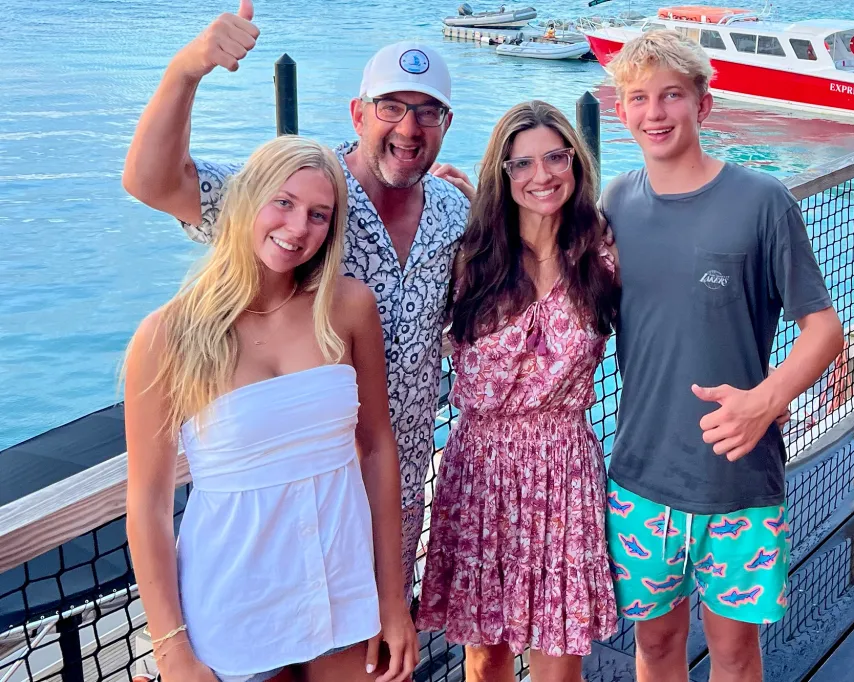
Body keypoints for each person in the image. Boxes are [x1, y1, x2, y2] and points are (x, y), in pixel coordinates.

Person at [121, 0, 472, 603]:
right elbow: (153, 182)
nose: (409, 129)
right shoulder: (303, 191)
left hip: (399, 485)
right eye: (392, 107)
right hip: (301, 488)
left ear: (445, 125)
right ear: (359, 113)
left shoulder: (453, 211)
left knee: (381, 649)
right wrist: (188, 70)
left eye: (427, 113)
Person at [122, 136, 417, 682]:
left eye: (319, 214)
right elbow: (148, 501)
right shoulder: (169, 335)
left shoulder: (348, 309)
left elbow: (377, 449)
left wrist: (392, 598)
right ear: (246, 201)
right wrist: (171, 651)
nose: (298, 227)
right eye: (283, 202)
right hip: (232, 611)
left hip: (343, 592)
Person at [598, 31, 845, 682]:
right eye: (639, 98)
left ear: (703, 105)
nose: (655, 112)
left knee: (734, 655)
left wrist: (766, 401)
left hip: (737, 484)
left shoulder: (763, 201)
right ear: (620, 111)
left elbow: (823, 329)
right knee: (654, 648)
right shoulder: (614, 204)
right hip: (638, 480)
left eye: (672, 95)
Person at [415, 101, 620, 682]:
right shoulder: (468, 255)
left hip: (564, 464)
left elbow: (664, 328)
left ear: (575, 164)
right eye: (522, 163)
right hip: (481, 466)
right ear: (502, 175)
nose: (542, 175)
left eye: (556, 157)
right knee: (486, 655)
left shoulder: (602, 253)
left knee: (561, 652)